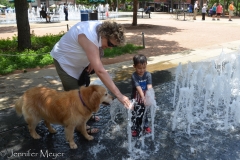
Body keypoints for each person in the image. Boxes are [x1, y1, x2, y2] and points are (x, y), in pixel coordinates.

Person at [50, 21, 131, 134]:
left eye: (114, 46)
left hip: (79, 61)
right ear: (104, 35)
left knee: (84, 92)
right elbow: (100, 71)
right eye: (111, 44)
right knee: (75, 98)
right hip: (65, 62)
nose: (111, 48)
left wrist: (93, 61)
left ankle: (86, 114)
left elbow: (99, 48)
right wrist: (119, 95)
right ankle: (80, 126)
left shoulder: (102, 29)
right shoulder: (87, 34)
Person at [131, 54, 152, 137]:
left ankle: (145, 126)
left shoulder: (148, 75)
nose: (142, 70)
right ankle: (135, 128)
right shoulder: (134, 76)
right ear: (134, 66)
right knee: (135, 113)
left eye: (144, 67)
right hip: (136, 98)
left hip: (145, 98)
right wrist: (143, 97)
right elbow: (138, 87)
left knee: (145, 112)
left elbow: (149, 85)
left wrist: (150, 94)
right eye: (139, 68)